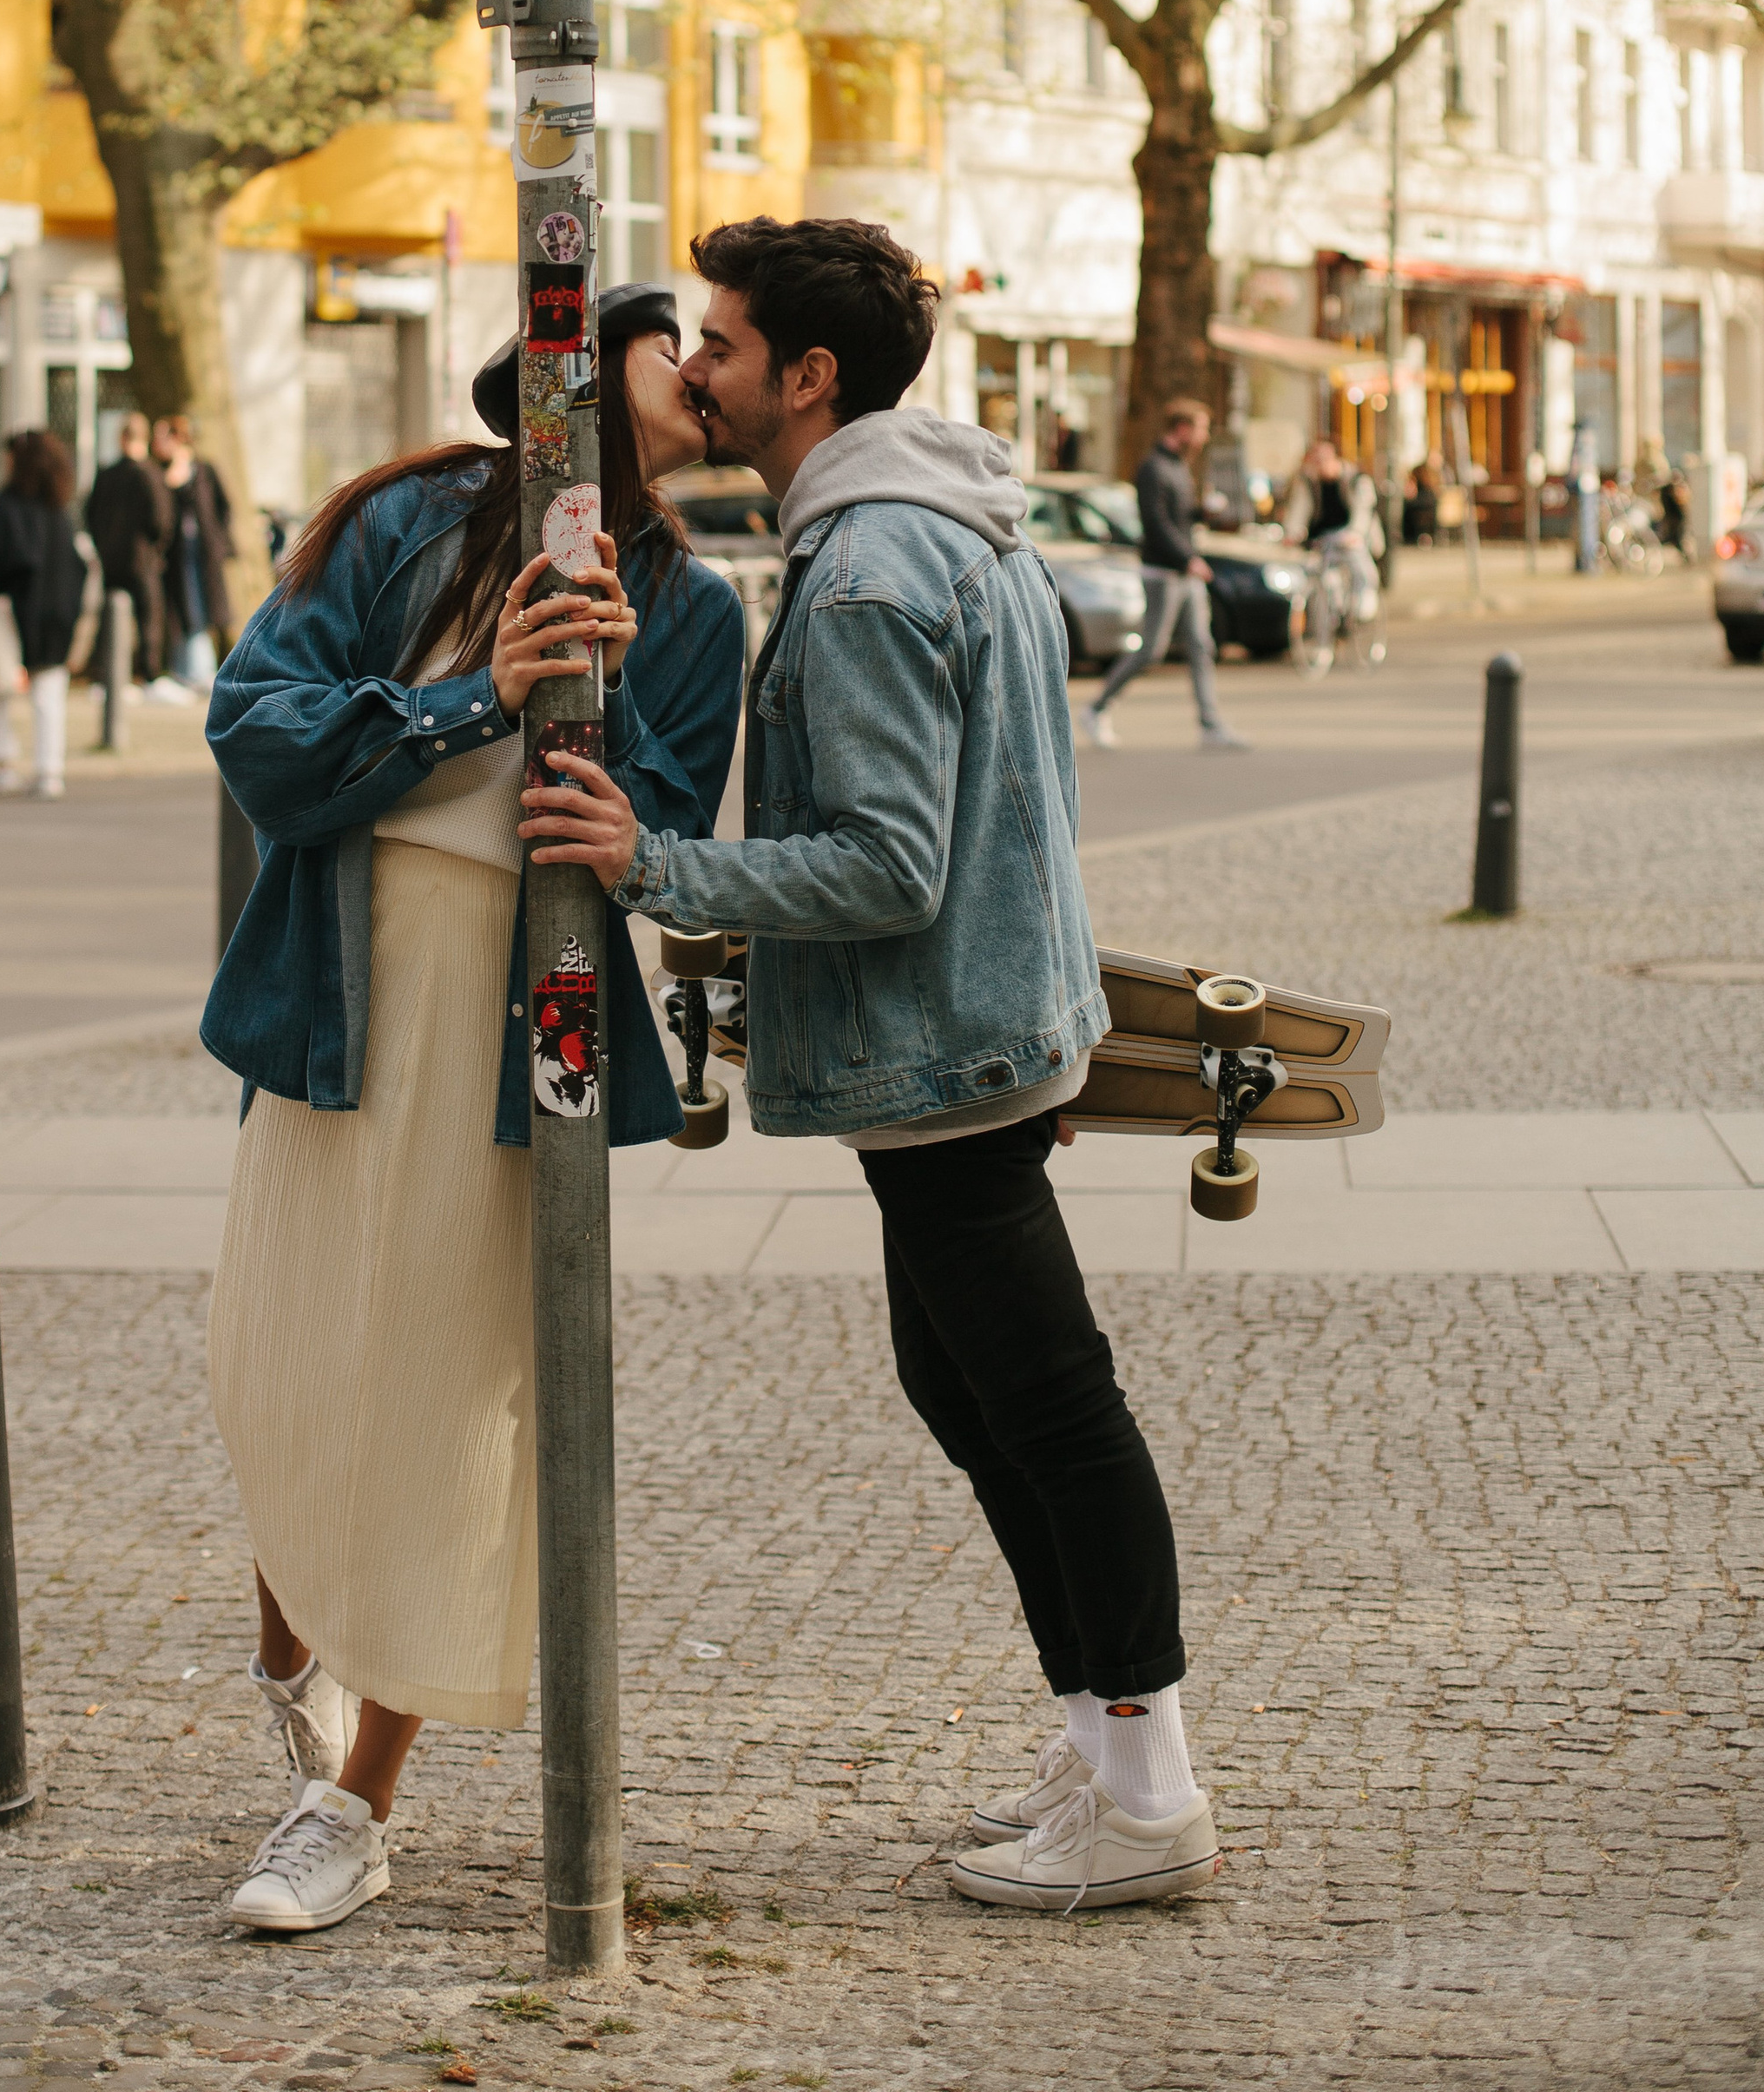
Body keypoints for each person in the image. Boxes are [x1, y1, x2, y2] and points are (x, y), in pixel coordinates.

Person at [524, 220, 1219, 1922]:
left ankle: (1150, 1789)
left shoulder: (861, 573)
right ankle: (1103, 1745)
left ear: (806, 378)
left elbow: (885, 865)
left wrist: (652, 868)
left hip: (946, 1055)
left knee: (1046, 1409)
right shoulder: (934, 525)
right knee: (974, 1396)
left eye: (721, 341)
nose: (689, 367)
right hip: (979, 1037)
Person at [201, 282, 745, 1937]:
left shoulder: (698, 604)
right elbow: (259, 736)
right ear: (582, 361)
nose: (708, 381)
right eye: (685, 350)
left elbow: (651, 837)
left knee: (449, 1404)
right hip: (340, 999)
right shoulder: (402, 518)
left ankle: (355, 1806)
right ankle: (296, 1621)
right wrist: (472, 694)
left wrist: (614, 690)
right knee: (273, 1364)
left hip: (527, 1038)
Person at [1081, 397, 1248, 751]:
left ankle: (1210, 724)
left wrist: (1204, 512)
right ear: (1183, 429)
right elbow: (1155, 524)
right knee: (1151, 650)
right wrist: (1189, 558)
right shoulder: (1152, 468)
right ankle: (1096, 709)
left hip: (1185, 575)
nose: (1203, 438)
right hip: (1162, 573)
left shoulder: (1179, 467)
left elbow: (1180, 516)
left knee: (1201, 646)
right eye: (1201, 429)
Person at [0, 428, 86, 799]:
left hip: (17, 608)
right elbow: (78, 562)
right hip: (58, 608)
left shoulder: (8, 504)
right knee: (49, 693)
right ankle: (49, 769)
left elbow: (7, 558)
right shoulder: (60, 506)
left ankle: (4, 761)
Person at [85, 411, 174, 694]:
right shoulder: (150, 474)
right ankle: (147, 672)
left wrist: (103, 543)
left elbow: (91, 514)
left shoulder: (107, 475)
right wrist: (156, 546)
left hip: (112, 557)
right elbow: (161, 519)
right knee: (149, 616)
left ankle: (106, 673)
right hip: (142, 558)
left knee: (110, 616)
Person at [155, 414, 234, 687]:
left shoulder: (204, 469)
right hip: (177, 555)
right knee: (183, 608)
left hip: (203, 552)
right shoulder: (162, 471)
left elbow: (223, 506)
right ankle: (185, 669)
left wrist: (220, 539)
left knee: (201, 607)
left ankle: (200, 669)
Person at [1285, 437, 1382, 621]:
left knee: (1358, 560)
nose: (1320, 464)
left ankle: (1366, 594)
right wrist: (1293, 533)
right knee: (1319, 580)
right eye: (1316, 458)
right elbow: (1299, 509)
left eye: (1325, 458)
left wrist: (1355, 534)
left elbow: (1363, 511)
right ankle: (1326, 632)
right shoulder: (1308, 481)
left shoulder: (1356, 479)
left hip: (1351, 536)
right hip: (1323, 539)